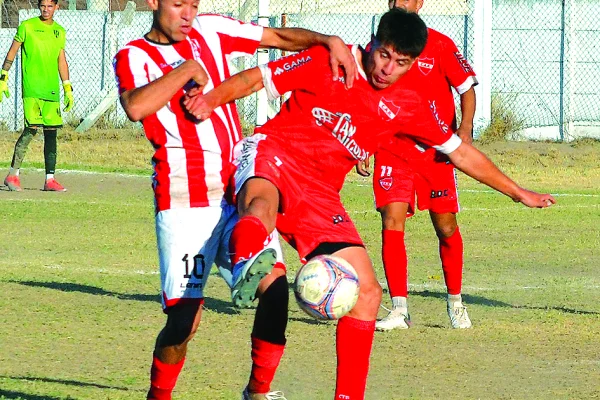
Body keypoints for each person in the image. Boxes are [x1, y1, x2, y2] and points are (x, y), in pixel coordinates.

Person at [184, 8, 555, 399]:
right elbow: (254, 79)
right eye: (383, 54)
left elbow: (461, 154)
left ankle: (323, 394)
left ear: (413, 63)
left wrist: (518, 192)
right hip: (274, 154)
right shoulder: (328, 60)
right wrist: (210, 100)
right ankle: (240, 251)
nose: (387, 69)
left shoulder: (409, 103)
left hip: (321, 192)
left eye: (401, 62)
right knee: (260, 209)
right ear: (373, 41)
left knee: (368, 294)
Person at [112, 0, 357, 398]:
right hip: (184, 200)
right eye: (178, 5)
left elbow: (276, 38)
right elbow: (136, 106)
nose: (188, 14)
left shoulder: (210, 29)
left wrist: (326, 40)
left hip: (236, 190)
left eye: (193, 4)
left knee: (275, 289)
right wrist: (187, 71)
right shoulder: (133, 55)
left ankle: (257, 392)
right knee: (184, 323)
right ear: (154, 3)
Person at [362, 0, 479, 331]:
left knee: (445, 228)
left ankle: (455, 301)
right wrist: (363, 143)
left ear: (420, 2)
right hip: (391, 149)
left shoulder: (439, 43)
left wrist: (465, 129)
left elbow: (467, 88)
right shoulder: (377, 46)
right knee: (392, 220)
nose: (400, 2)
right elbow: (367, 97)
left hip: (435, 152)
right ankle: (399, 309)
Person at [1, 0, 73, 192]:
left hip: (51, 91)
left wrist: (67, 87)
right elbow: (13, 51)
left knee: (51, 133)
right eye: (43, 6)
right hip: (32, 89)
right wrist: (3, 76)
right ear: (38, 7)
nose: (46, 9)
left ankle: (50, 179)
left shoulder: (59, 31)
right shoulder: (27, 26)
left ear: (56, 7)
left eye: (50, 6)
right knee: (31, 129)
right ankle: (12, 175)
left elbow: (61, 59)